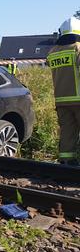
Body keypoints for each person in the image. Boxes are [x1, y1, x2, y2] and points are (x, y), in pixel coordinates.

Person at [47, 15, 80, 165]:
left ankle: (66, 162)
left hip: (61, 100)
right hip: (78, 98)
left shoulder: (52, 52)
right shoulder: (77, 48)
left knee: (67, 132)